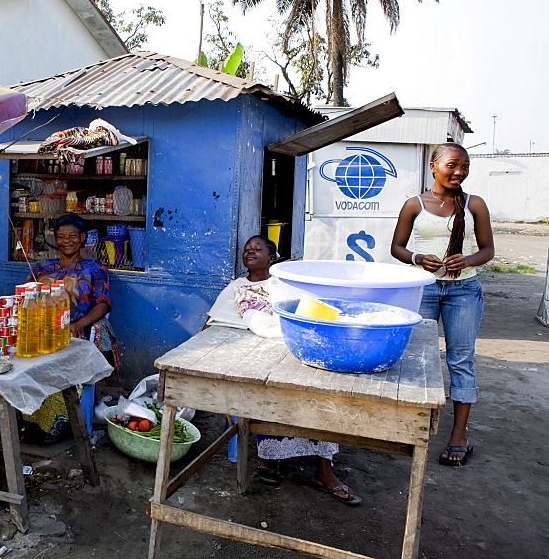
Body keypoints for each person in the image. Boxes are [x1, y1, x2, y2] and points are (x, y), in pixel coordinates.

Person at [206, 236, 361, 505]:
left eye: (258, 249)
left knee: (318, 393)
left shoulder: (285, 285)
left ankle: (325, 470)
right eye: (246, 249)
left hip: (288, 347)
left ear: (272, 257)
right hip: (252, 351)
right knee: (260, 389)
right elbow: (214, 321)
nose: (250, 252)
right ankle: (270, 456)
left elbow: (305, 314)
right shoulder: (236, 286)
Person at [391, 142, 493, 467]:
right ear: (434, 166)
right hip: (423, 289)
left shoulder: (474, 204)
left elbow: (488, 250)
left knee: (461, 360)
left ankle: (459, 436)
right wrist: (418, 257)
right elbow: (397, 247)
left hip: (464, 291)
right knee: (418, 358)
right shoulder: (414, 204)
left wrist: (468, 259)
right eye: (452, 165)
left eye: (464, 166)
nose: (459, 172)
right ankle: (412, 428)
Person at [23, 214, 117, 437]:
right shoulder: (42, 267)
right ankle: (30, 419)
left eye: (72, 236)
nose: (67, 241)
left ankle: (57, 425)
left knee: (64, 372)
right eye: (61, 236)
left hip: (76, 335)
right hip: (42, 332)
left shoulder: (94, 269)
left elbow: (103, 304)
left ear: (82, 238)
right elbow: (26, 296)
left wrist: (80, 324)